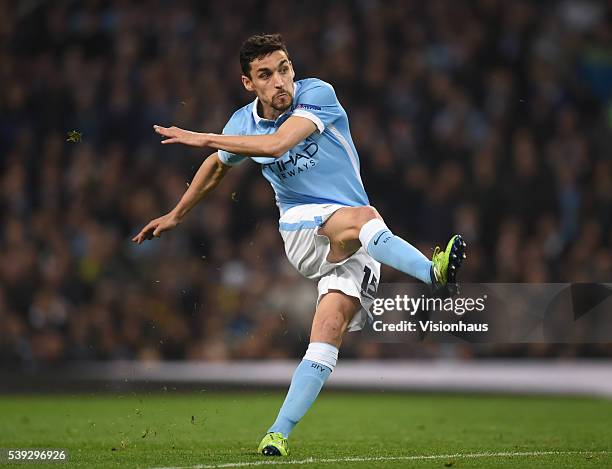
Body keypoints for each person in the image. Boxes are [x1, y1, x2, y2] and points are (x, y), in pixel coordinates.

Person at [133, 33, 466, 456]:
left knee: (326, 337)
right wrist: (177, 214)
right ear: (248, 83)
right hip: (302, 228)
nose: (280, 83)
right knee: (366, 217)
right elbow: (217, 168)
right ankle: (432, 274)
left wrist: (205, 137)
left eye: (284, 69)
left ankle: (277, 434)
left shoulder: (318, 95)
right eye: (265, 75)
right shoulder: (242, 123)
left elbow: (276, 145)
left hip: (358, 241)